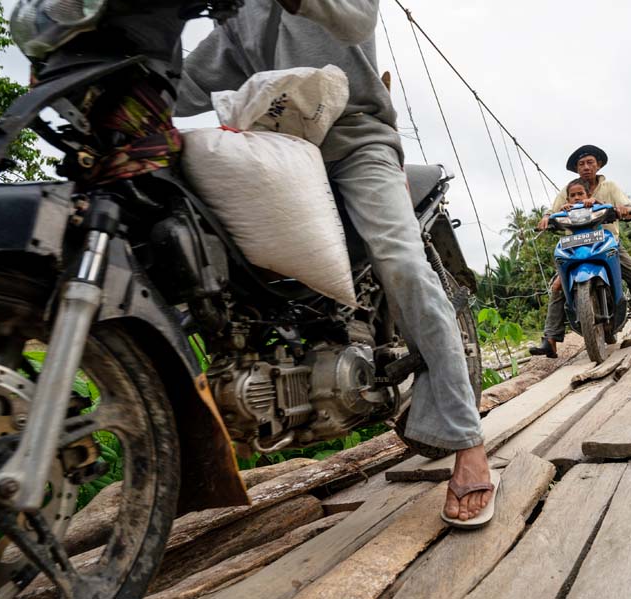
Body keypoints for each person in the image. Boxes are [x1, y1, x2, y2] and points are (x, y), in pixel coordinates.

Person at [176, 0, 494, 525]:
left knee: (403, 262)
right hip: (272, 150)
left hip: (357, 141)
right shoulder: (237, 16)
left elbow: (357, 17)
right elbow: (187, 84)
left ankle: (468, 443)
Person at [530, 144, 631, 358]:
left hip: (607, 243)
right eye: (581, 164)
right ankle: (550, 339)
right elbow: (552, 211)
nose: (586, 167)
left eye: (590, 162)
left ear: (598, 165)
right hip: (575, 244)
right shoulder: (569, 190)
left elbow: (627, 206)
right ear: (576, 169)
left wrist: (625, 210)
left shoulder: (609, 187)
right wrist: (546, 218)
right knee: (558, 286)